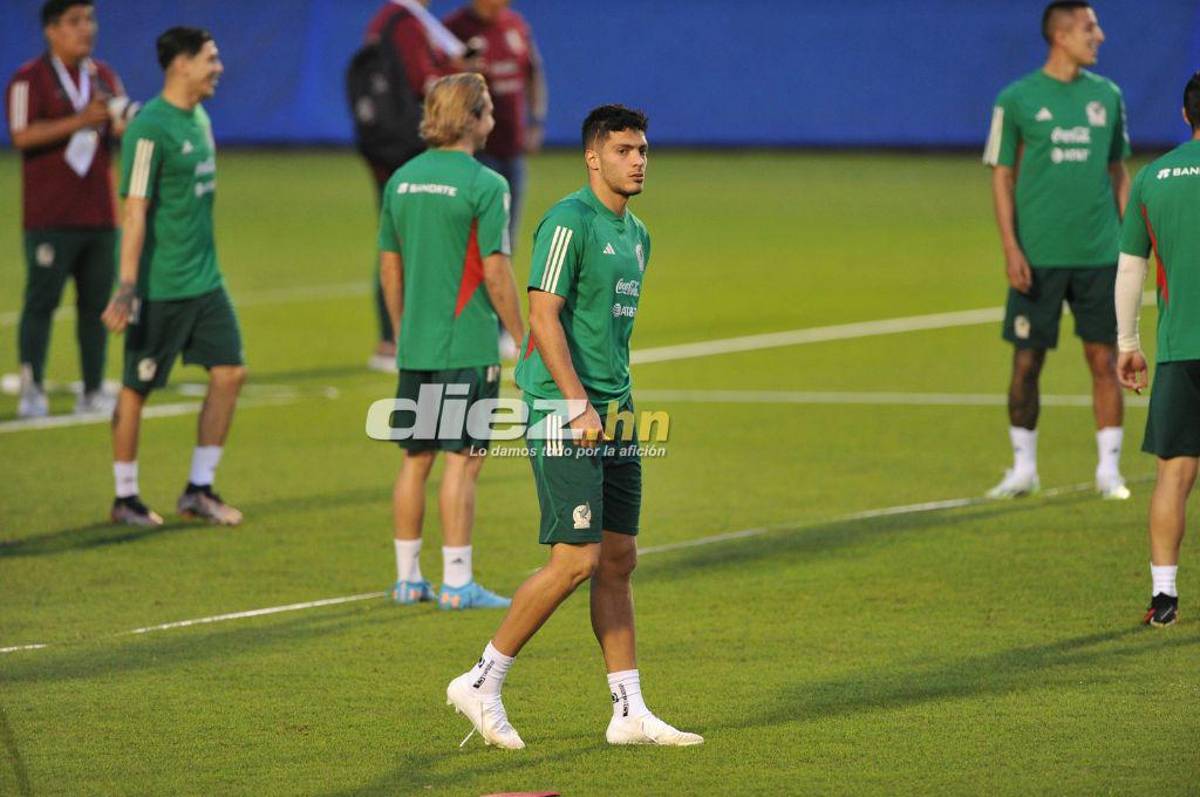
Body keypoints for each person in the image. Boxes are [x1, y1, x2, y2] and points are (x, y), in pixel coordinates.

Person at [445, 105, 703, 749]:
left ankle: (628, 711)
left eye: (643, 149)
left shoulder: (639, 234)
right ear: (594, 157)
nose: (638, 160)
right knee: (575, 561)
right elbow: (543, 317)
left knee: (618, 559)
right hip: (566, 412)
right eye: (623, 150)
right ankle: (481, 679)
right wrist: (575, 402)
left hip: (617, 411)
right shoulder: (568, 221)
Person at [378, 73, 524, 610]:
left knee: (415, 460)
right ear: (473, 116)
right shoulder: (487, 185)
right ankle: (458, 583)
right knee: (463, 461)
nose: (494, 118)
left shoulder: (401, 181)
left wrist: (400, 330)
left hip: (417, 344)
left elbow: (389, 268)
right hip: (467, 344)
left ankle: (407, 579)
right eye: (488, 109)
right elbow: (496, 272)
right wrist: (524, 336)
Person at [981, 0, 1131, 500]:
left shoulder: (1108, 96)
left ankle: (1109, 472)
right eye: (1091, 27)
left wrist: (1130, 242)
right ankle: (1024, 469)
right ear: (1061, 35)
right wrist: (1010, 247)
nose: (1101, 36)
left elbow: (1117, 172)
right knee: (1026, 362)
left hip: (1099, 253)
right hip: (1038, 255)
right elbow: (1001, 176)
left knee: (1104, 358)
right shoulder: (1016, 99)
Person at [101, 27, 245, 528]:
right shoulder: (150, 129)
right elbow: (135, 211)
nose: (218, 67)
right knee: (136, 389)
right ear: (181, 64)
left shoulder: (200, 118)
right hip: (160, 286)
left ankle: (198, 488)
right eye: (211, 57)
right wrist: (126, 286)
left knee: (231, 373)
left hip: (205, 281)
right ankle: (125, 496)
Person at [6, 0, 131, 418]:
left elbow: (120, 132)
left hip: (99, 213)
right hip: (50, 215)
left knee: (97, 305)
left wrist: (121, 126)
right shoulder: (29, 79)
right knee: (41, 302)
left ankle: (93, 389)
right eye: (75, 21)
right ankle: (32, 387)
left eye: (90, 20)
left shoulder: (105, 77)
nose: (86, 29)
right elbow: (22, 135)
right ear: (51, 30)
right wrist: (81, 120)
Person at [1114, 72, 1200, 627]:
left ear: (1184, 113)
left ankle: (1164, 599)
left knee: (1174, 472)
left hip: (1178, 351)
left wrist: (1127, 343)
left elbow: (1129, 271)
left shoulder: (1152, 178)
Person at [363, 0, 475, 373]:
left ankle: (398, 339)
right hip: (405, 147)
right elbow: (423, 82)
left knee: (404, 242)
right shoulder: (405, 22)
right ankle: (394, 341)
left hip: (389, 147)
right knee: (409, 245)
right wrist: (459, 73)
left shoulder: (395, 19)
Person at [443, 0, 547, 247]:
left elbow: (534, 72)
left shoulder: (516, 24)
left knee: (506, 240)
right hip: (474, 152)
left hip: (513, 149)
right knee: (473, 238)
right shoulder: (454, 27)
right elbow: (438, 85)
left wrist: (536, 120)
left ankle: (496, 286)